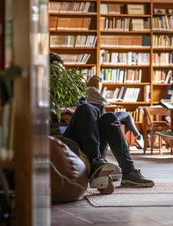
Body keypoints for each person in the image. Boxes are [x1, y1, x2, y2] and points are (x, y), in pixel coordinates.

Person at [49, 53, 154, 194]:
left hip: (88, 137)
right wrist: (62, 112)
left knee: (109, 118)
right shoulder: (40, 93)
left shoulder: (70, 90)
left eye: (61, 72)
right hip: (66, 140)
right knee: (86, 109)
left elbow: (83, 109)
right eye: (55, 72)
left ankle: (129, 172)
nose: (59, 76)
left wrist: (67, 110)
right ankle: (97, 163)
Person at [86, 75, 144, 150]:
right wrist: (113, 101)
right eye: (100, 83)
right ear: (96, 83)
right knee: (127, 115)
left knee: (126, 121)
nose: (101, 85)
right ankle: (138, 137)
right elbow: (104, 101)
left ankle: (130, 139)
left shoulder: (88, 91)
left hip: (99, 116)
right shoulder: (92, 89)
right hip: (104, 117)